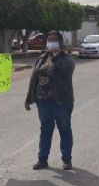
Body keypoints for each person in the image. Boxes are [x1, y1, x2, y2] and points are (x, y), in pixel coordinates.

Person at [24, 31, 76, 170]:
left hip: (61, 102)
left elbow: (64, 71)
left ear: (60, 43)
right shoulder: (41, 58)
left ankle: (66, 159)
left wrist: (55, 56)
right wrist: (29, 98)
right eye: (49, 40)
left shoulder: (66, 59)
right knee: (45, 130)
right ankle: (42, 159)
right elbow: (34, 79)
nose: (51, 42)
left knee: (64, 129)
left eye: (54, 40)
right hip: (43, 101)